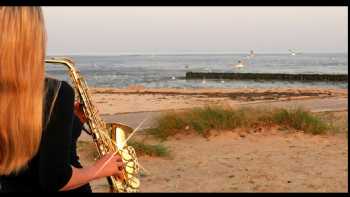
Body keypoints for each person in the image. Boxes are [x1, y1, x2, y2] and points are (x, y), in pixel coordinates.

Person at [0, 6, 123, 192]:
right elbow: (56, 179)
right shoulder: (56, 93)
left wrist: (72, 123)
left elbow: (29, 153)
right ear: (34, 35)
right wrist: (99, 169)